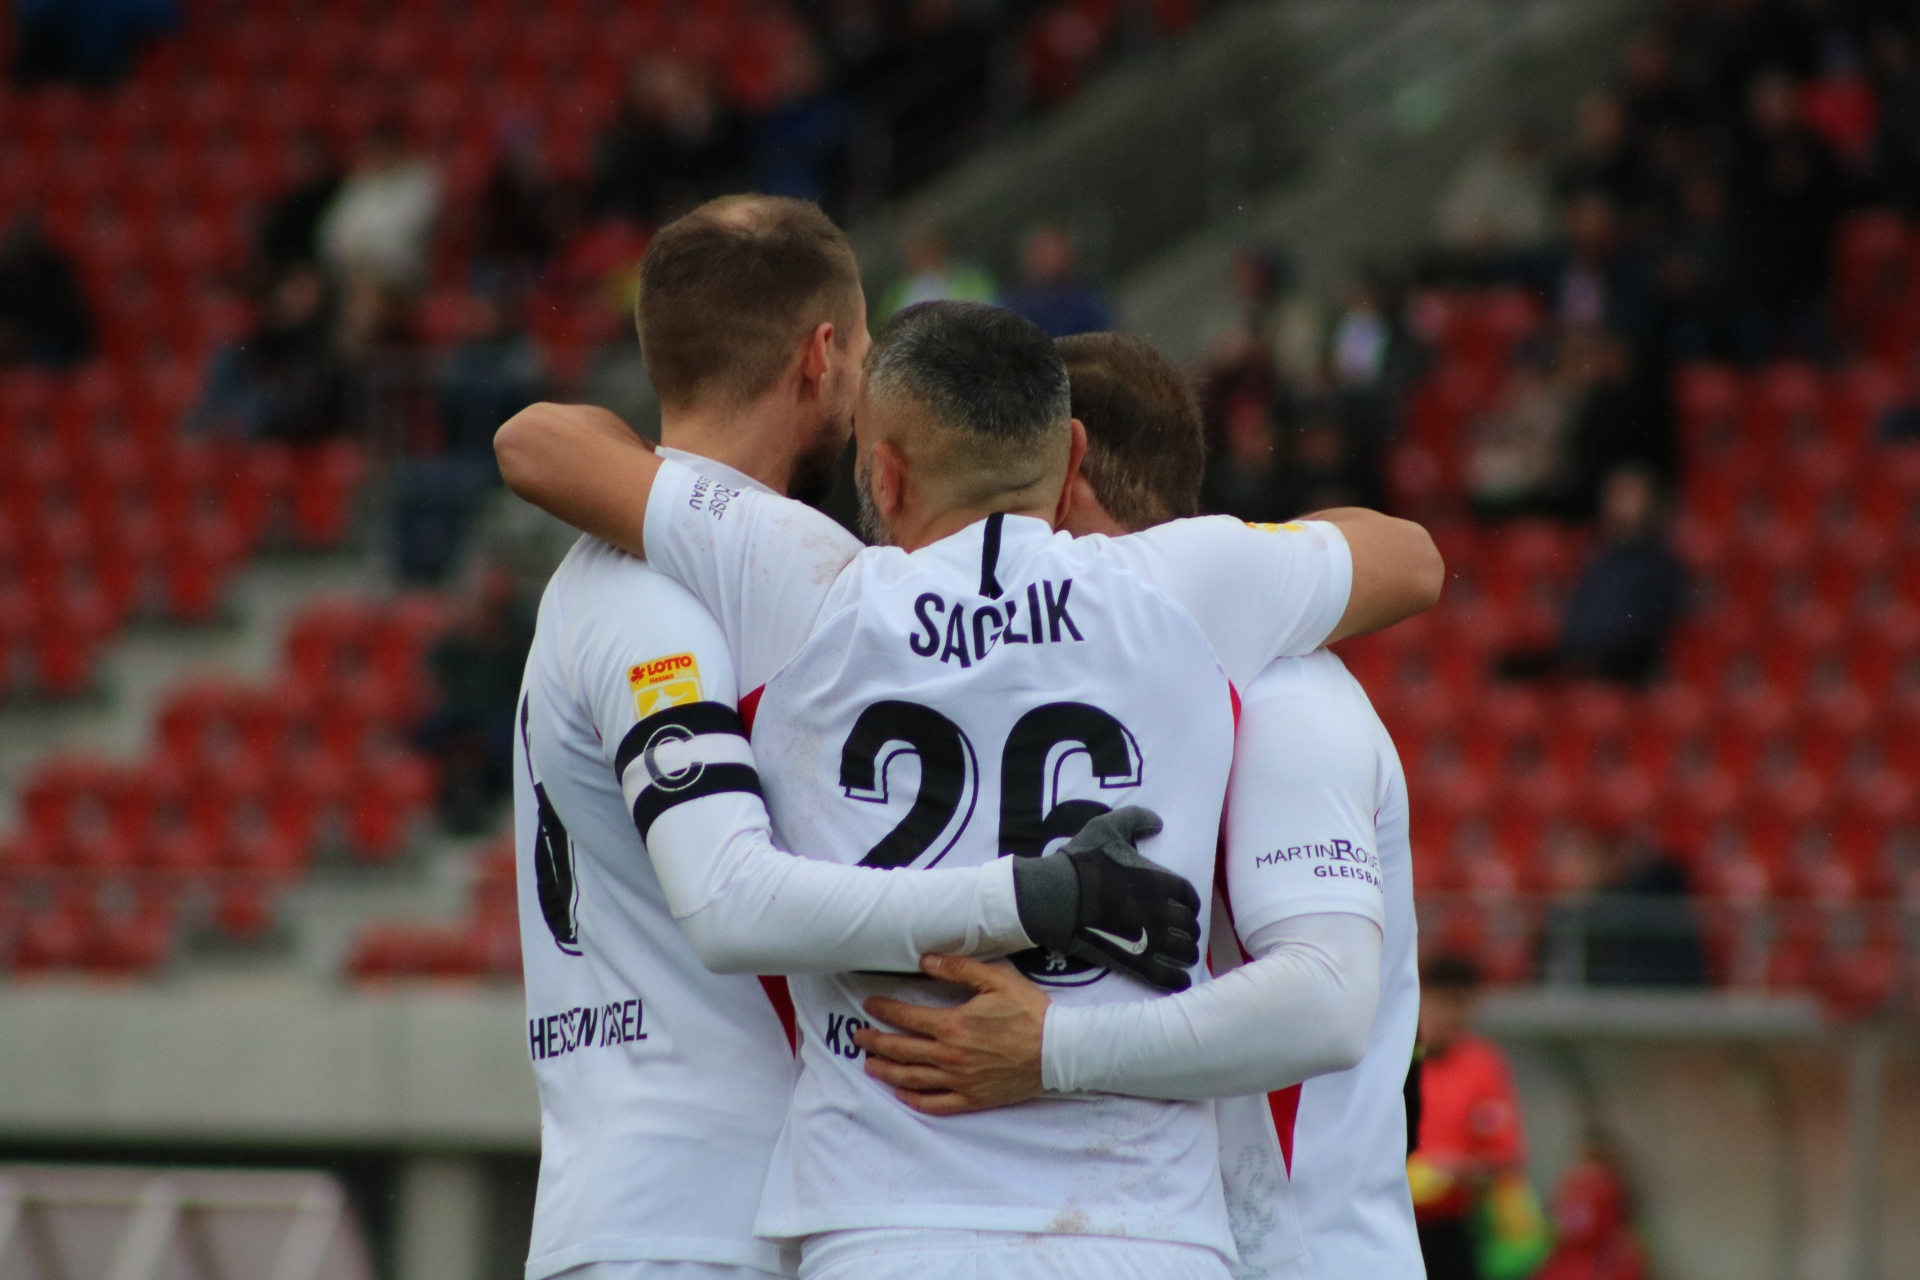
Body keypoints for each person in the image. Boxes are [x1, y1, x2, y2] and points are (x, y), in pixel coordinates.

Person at [497, 303, 1443, 1280]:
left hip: (882, 1222)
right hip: (1142, 1226)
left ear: (885, 475)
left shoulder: (811, 581)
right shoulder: (1191, 583)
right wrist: (1244, 551)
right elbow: (1412, 558)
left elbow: (542, 448)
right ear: (1069, 455)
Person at [491, 197, 1213, 1280]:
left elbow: (545, 439)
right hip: (690, 1222)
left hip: (689, 1199)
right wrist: (1039, 896)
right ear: (822, 356)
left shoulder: (694, 562)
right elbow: (730, 897)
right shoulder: (659, 595)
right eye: (868, 353)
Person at [843, 330, 1427, 1279]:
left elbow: (1326, 1001)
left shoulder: (1284, 696)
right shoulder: (1094, 681)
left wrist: (1053, 1048)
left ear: (1065, 476)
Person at [1498, 467, 1686, 685]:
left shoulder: (1659, 563)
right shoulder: (1596, 555)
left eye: (1629, 494)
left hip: (1621, 669)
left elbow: (1645, 633)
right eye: (1615, 493)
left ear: (1651, 502)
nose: (1618, 502)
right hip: (1577, 659)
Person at [1408, 955, 1528, 1280]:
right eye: (1442, 1003)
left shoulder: (1481, 1067)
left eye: (1460, 1005)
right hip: (1388, 1219)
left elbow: (1505, 1157)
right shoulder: (1393, 1058)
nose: (1450, 1016)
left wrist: (1454, 1170)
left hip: (1451, 1228)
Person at [319, 119, 442, 296]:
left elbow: (406, 231)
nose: (379, 156)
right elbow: (331, 230)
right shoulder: (360, 183)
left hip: (400, 270)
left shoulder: (421, 181)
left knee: (369, 295)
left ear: (398, 149)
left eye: (385, 149)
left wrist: (368, 256)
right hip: (353, 270)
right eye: (374, 149)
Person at [0, 213, 93, 370]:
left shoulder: (53, 270)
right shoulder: (5, 273)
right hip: (18, 335)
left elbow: (62, 308)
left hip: (49, 338)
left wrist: (23, 331)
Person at [1000, 224, 1112, 337]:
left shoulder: (1084, 304)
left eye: (1052, 251)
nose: (1046, 258)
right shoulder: (1011, 303)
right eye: (1041, 251)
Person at [873, 226, 996, 325]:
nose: (920, 252)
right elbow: (883, 331)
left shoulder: (971, 279)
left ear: (938, 243)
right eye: (913, 247)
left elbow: (989, 318)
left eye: (924, 243)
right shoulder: (896, 293)